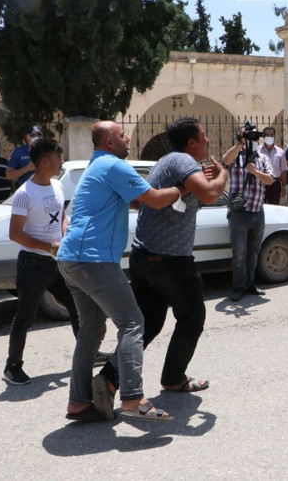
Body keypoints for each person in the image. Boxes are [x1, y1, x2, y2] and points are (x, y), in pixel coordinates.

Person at [58, 121, 184, 423]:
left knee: (91, 331)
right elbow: (154, 199)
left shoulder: (97, 167)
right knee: (132, 323)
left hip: (72, 258)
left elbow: (138, 202)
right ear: (109, 142)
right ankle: (133, 398)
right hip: (93, 259)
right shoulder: (113, 165)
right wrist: (182, 188)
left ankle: (78, 403)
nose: (127, 137)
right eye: (122, 134)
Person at [97, 117, 228, 397]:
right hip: (170, 260)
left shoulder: (167, 162)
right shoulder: (183, 161)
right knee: (192, 318)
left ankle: (108, 380)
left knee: (148, 324)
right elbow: (209, 195)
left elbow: (181, 196)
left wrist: (202, 180)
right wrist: (223, 174)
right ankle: (173, 378)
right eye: (203, 135)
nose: (207, 140)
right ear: (191, 141)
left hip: (145, 257)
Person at [1, 138, 82, 385]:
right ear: (45, 161)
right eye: (59, 157)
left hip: (56, 262)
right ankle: (12, 367)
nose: (62, 161)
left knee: (78, 306)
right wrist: (49, 247)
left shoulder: (57, 185)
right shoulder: (24, 194)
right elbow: (15, 234)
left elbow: (62, 216)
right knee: (25, 316)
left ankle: (88, 353)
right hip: (33, 264)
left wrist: (64, 237)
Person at [223, 125, 274, 302]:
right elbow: (226, 160)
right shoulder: (236, 155)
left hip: (257, 212)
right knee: (239, 253)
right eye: (249, 137)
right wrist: (239, 143)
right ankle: (238, 287)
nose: (253, 141)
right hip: (239, 213)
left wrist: (256, 172)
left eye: (255, 137)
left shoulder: (263, 158)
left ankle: (250, 284)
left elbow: (270, 180)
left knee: (253, 253)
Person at [259, 126, 288, 205]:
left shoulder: (280, 152)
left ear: (274, 136)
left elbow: (284, 170)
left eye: (271, 135)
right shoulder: (257, 151)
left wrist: (284, 186)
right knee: (260, 207)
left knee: (274, 208)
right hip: (261, 183)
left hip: (275, 184)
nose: (269, 137)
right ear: (263, 136)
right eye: (267, 135)